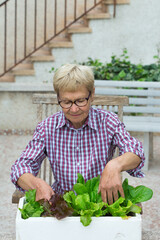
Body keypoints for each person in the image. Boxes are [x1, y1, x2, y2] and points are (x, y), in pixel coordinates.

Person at [11, 64, 145, 205]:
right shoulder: (47, 127)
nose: (74, 109)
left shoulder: (108, 121)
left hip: (100, 203)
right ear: (58, 98)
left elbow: (136, 151)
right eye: (66, 102)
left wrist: (115, 165)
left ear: (92, 94)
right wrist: (36, 184)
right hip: (62, 204)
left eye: (81, 101)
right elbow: (20, 166)